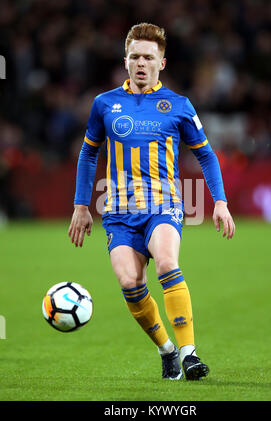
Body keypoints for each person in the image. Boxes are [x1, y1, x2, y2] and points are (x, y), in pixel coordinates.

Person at [68, 23, 235, 381]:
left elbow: (206, 156)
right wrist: (82, 205)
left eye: (148, 57)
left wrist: (219, 201)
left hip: (164, 205)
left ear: (162, 62)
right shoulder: (104, 104)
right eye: (134, 56)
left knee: (166, 262)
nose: (141, 63)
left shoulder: (179, 105)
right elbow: (87, 155)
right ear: (125, 61)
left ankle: (190, 354)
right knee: (130, 282)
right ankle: (167, 350)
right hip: (117, 213)